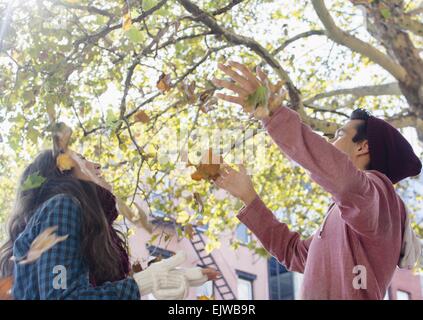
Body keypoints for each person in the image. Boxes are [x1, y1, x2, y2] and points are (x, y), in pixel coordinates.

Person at [212, 61, 422, 299]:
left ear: (363, 146)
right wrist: (249, 198)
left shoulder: (379, 196)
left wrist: (273, 115)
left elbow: (343, 179)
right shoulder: (347, 214)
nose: (330, 141)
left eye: (340, 134)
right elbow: (293, 253)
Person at [0, 149, 219, 299]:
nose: (95, 164)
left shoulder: (77, 223)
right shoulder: (63, 207)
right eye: (81, 159)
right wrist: (145, 282)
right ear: (62, 175)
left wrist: (165, 279)